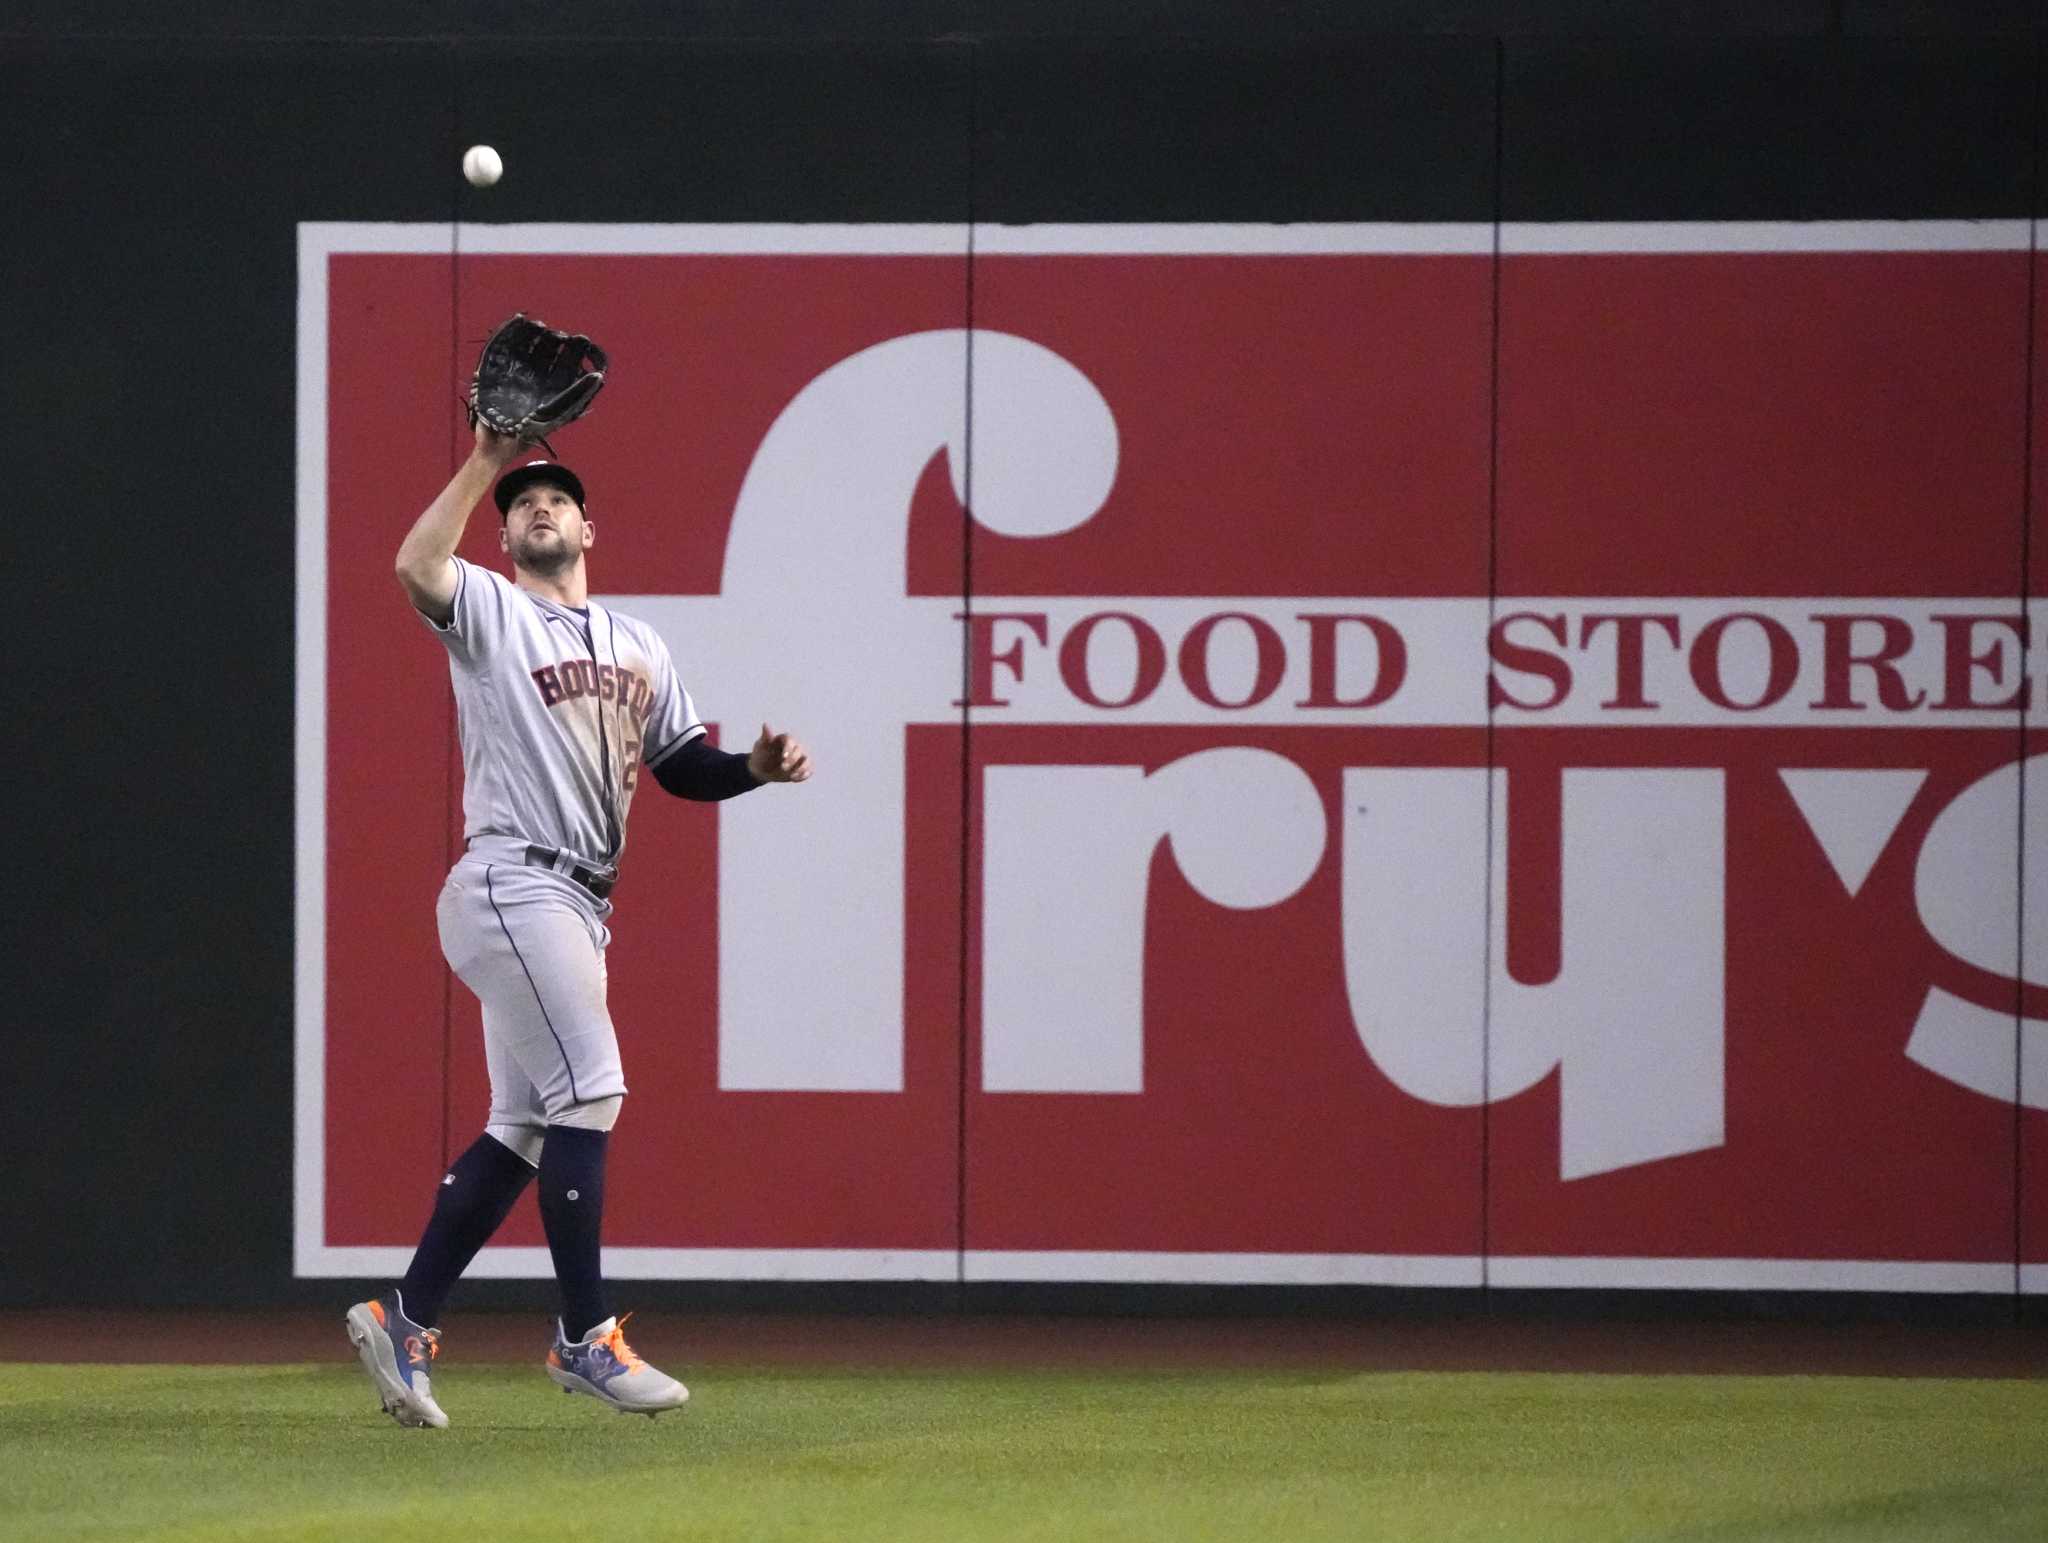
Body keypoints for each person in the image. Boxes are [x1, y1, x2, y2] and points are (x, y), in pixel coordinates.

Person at [345, 421, 812, 1428]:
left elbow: (682, 764)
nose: (535, 507)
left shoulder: (639, 640)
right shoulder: (490, 615)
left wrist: (752, 772)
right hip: (514, 882)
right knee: (591, 1088)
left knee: (522, 1126)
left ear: (588, 525)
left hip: (577, 902)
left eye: (551, 497)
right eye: (519, 505)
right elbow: (415, 562)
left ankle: (405, 1316)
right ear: (505, 541)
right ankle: (582, 1337)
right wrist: (484, 459)